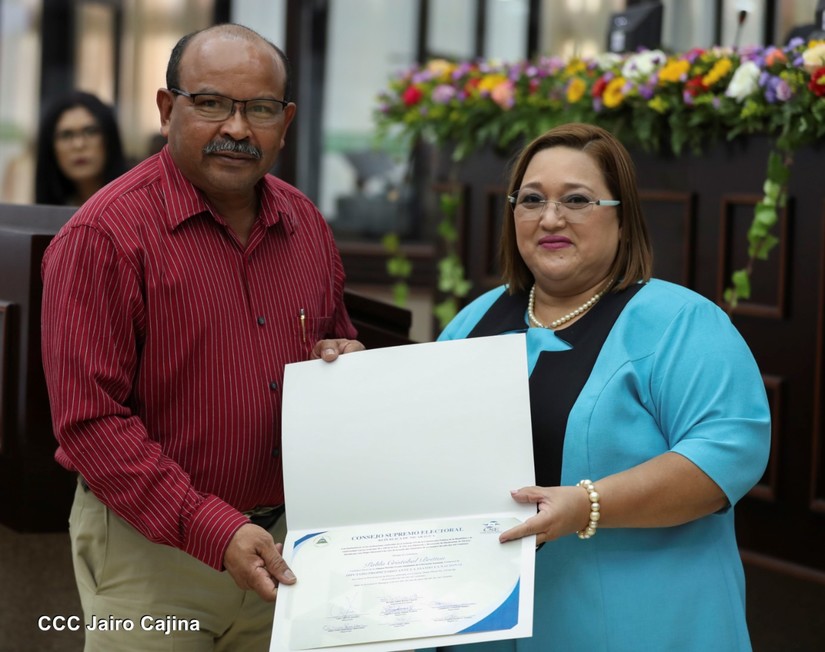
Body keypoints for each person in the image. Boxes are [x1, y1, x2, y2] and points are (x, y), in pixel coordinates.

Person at [41, 23, 364, 651]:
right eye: (212, 103)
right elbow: (90, 424)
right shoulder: (103, 237)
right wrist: (215, 529)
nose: (237, 129)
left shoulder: (306, 226)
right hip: (149, 555)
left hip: (286, 552)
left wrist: (341, 360)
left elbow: (334, 342)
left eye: (260, 109)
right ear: (168, 110)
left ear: (286, 122)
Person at [430, 123, 771, 651]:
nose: (550, 218)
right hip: (482, 620)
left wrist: (588, 504)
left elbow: (727, 455)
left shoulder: (680, 322)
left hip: (639, 623)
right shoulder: (474, 321)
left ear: (622, 216)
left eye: (577, 200)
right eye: (532, 200)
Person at [35, 90, 128, 205]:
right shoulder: (46, 210)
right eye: (66, 135)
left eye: (91, 131)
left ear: (109, 137)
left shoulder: (139, 203)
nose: (78, 145)